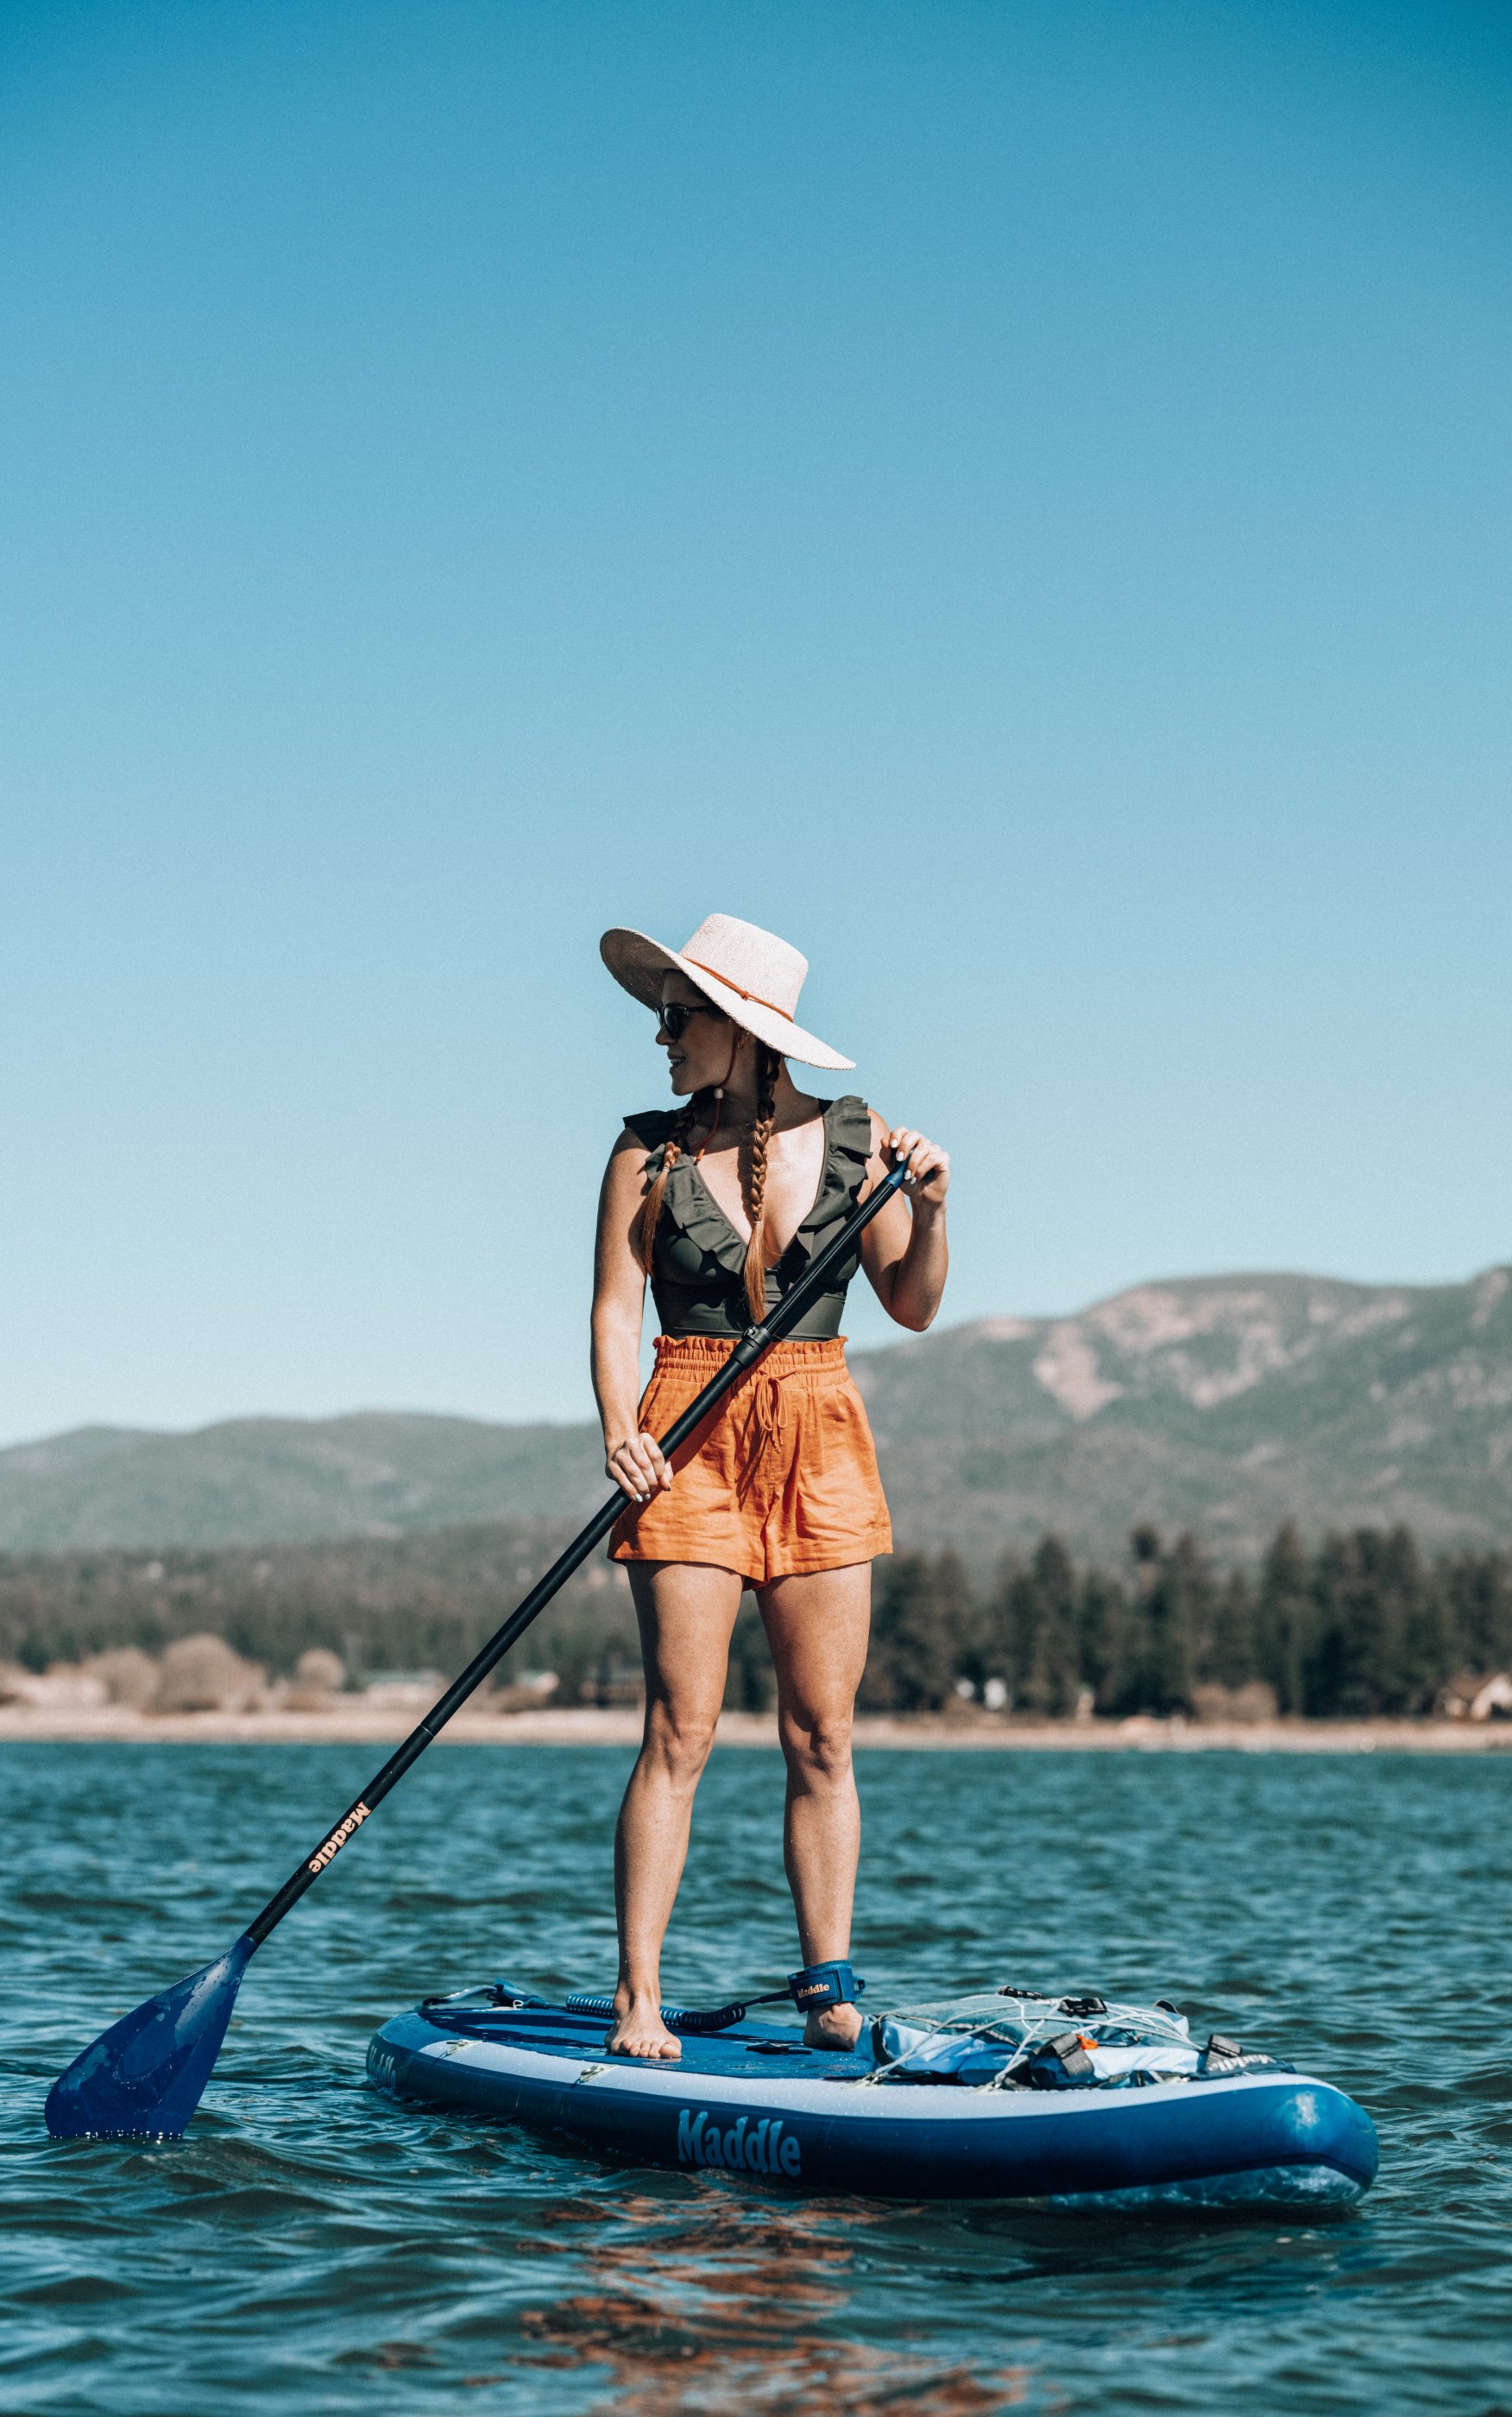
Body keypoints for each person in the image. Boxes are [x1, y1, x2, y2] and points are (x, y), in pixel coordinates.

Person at [592, 913, 949, 2060]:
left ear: (743, 1031)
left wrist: (933, 1208)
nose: (662, 1035)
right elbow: (613, 1310)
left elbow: (913, 1304)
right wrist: (620, 1431)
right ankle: (638, 1999)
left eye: (679, 1015)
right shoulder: (642, 1155)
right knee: (679, 1731)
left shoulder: (860, 1142)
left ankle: (828, 1990)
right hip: (685, 1434)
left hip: (820, 1432)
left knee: (823, 1737)